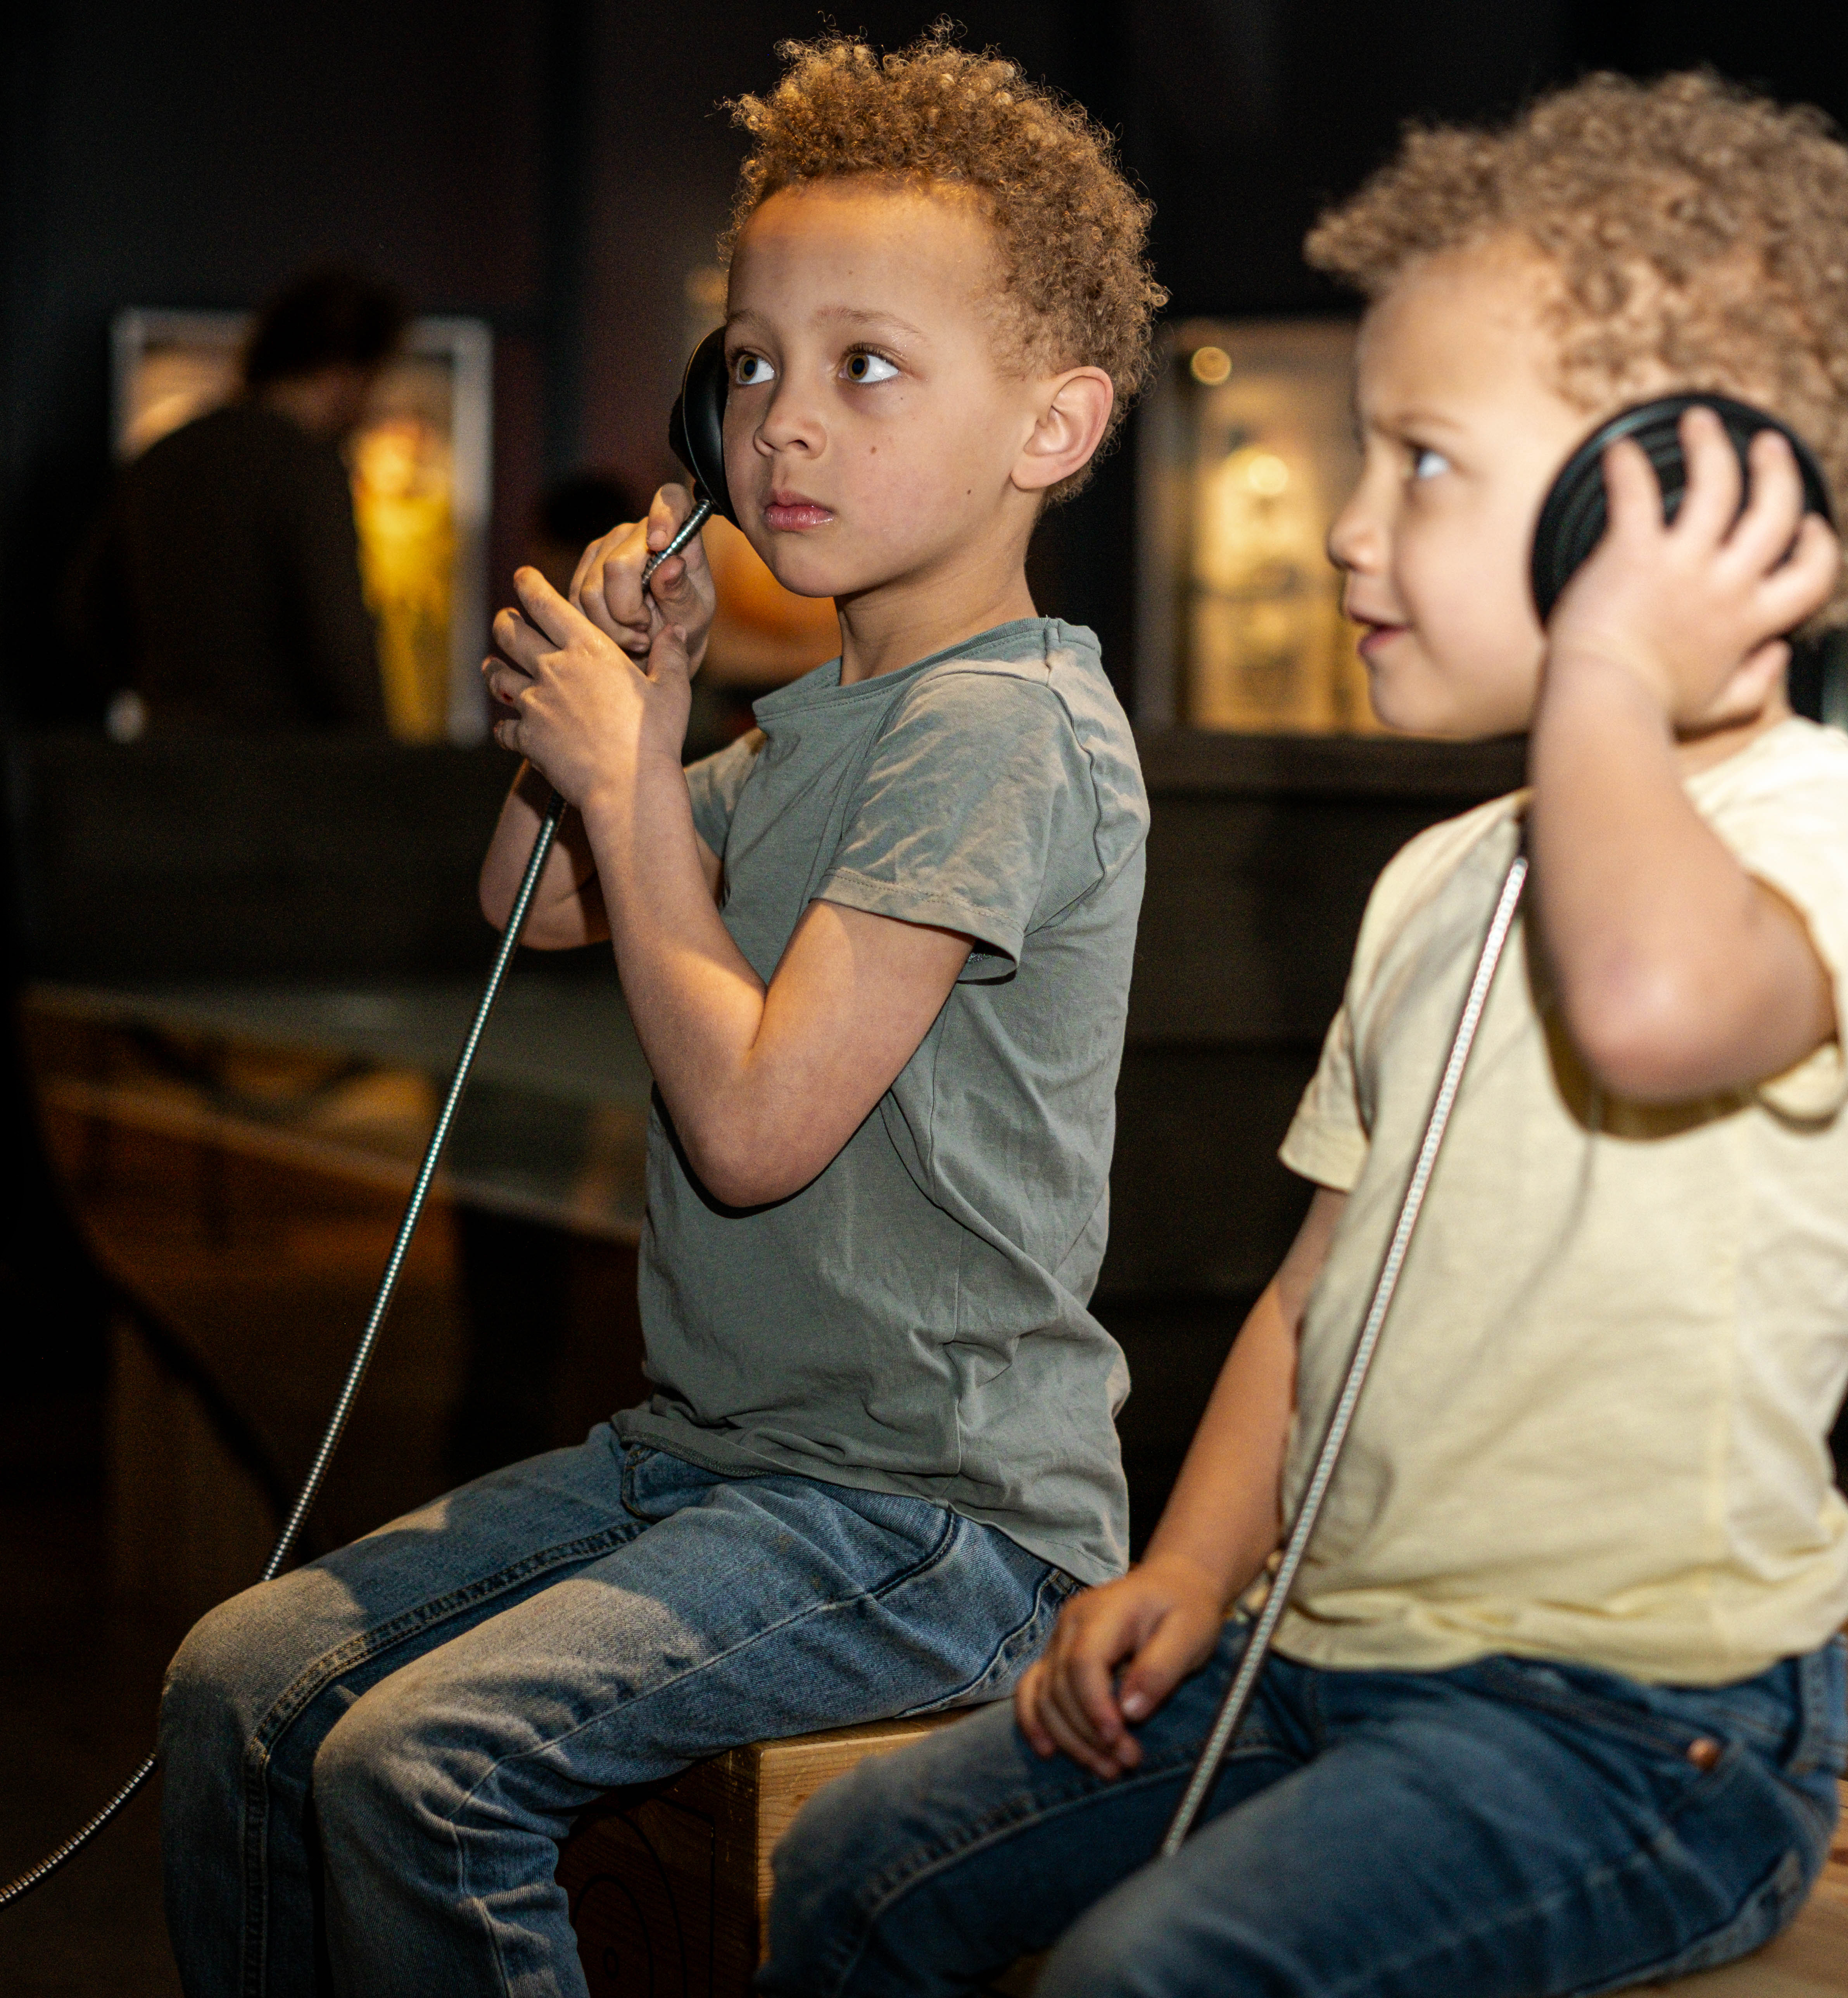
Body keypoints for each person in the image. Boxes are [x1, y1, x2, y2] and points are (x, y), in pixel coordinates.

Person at [760, 73, 1848, 1997]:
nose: (1342, 525)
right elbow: (1316, 1302)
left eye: (1423, 464)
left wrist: (1612, 668)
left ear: (1660, 493)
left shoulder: (1831, 831)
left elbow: (1647, 1010)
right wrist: (1186, 1571)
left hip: (1637, 1731)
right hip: (1321, 1653)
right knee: (864, 1868)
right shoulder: (1441, 883)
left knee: (1152, 1973)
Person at [154, 33, 1162, 1998]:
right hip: (720, 1457)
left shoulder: (1002, 728)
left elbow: (757, 1126)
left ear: (1052, 423)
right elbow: (521, 904)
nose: (786, 419)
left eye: (866, 365)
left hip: (931, 1515)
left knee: (422, 1768)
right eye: (755, 361)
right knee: (238, 1683)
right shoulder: (826, 726)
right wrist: (647, 708)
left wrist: (630, 779)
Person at [71, 267, 406, 733]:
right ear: (341, 372)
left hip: (164, 761)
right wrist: (382, 759)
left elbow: (87, 614)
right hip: (282, 775)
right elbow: (340, 648)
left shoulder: (161, 457)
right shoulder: (306, 466)